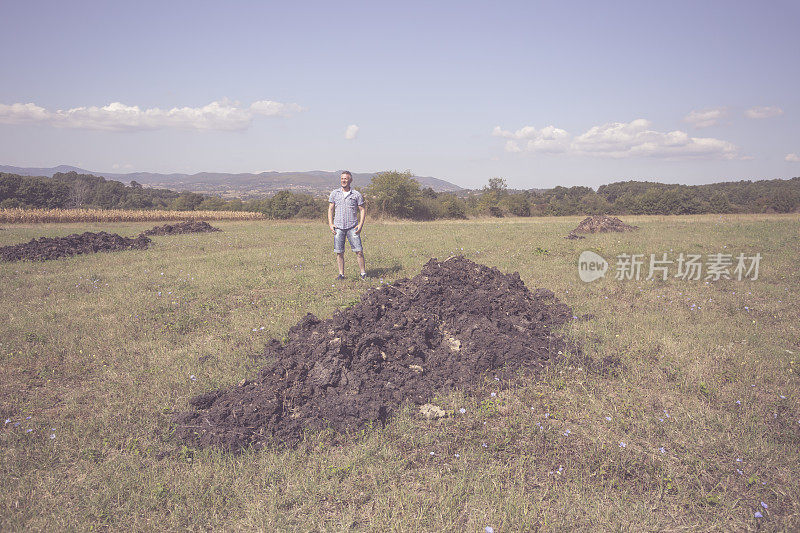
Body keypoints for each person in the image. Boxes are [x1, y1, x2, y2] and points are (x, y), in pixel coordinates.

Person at [328, 170, 366, 280]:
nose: (343, 180)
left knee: (359, 251)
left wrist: (360, 224)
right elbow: (330, 209)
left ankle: (363, 273)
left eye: (346, 178)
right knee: (339, 252)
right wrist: (331, 224)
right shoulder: (335, 194)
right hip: (338, 227)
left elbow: (362, 210)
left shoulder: (356, 194)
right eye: (342, 178)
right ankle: (341, 274)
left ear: (350, 180)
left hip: (352, 227)